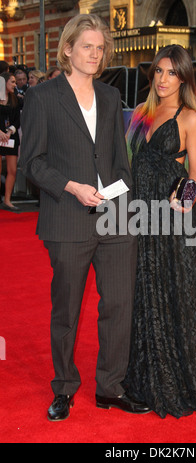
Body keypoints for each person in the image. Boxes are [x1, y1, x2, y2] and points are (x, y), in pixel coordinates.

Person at [20, 13, 149, 422]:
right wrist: (72, 187)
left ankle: (110, 387)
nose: (95, 54)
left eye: (100, 48)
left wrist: (123, 197)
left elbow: (119, 159)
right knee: (67, 309)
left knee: (119, 305)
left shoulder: (111, 98)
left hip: (115, 218)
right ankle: (64, 388)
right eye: (87, 46)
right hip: (68, 218)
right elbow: (32, 164)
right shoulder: (42, 97)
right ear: (69, 49)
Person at [123, 45, 196, 419]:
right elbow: (128, 160)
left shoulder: (191, 119)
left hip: (174, 220)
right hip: (139, 214)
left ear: (184, 78)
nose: (163, 79)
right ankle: (143, 374)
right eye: (158, 72)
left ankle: (179, 377)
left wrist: (181, 201)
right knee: (143, 290)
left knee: (175, 292)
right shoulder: (140, 113)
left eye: (172, 73)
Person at [0, 72, 21, 211]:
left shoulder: (16, 99)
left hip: (11, 138)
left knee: (12, 170)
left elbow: (17, 120)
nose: (15, 84)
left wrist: (9, 131)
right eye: (12, 82)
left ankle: (7, 200)